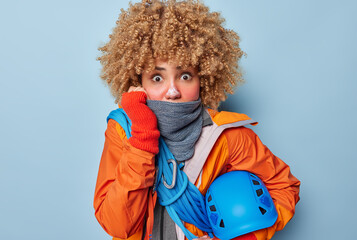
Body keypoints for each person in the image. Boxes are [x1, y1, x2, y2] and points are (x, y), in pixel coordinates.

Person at [93, 0, 300, 240]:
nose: (172, 91)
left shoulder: (228, 135)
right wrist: (142, 138)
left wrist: (247, 238)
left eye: (184, 75)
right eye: (157, 77)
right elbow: (118, 225)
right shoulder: (122, 130)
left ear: (203, 78)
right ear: (139, 81)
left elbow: (283, 187)